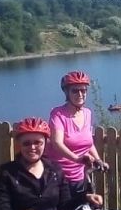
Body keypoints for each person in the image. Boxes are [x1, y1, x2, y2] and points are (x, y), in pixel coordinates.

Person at [44, 70, 105, 200]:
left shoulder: (88, 113)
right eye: (75, 91)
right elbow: (57, 143)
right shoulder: (58, 114)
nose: (80, 94)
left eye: (83, 90)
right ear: (66, 92)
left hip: (79, 175)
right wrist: (77, 158)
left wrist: (99, 160)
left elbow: (88, 142)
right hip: (59, 176)